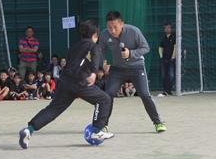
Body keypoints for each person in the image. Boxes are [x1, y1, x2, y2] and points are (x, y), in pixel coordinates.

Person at [18, 20, 114, 149]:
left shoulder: (73, 47)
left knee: (53, 109)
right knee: (104, 99)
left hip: (65, 82)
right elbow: (95, 57)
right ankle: (97, 132)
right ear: (95, 35)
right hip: (80, 83)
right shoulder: (93, 46)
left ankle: (29, 130)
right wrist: (93, 73)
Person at [100, 10, 166, 132]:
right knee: (108, 95)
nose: (112, 31)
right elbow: (102, 51)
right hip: (117, 69)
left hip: (136, 67)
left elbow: (145, 48)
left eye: (115, 27)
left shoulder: (134, 31)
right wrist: (103, 62)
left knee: (144, 94)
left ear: (122, 24)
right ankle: (103, 125)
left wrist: (131, 53)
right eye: (109, 27)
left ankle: (157, 122)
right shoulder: (104, 35)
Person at [157, 22, 176, 97]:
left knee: (171, 75)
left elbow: (175, 47)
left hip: (171, 60)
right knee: (164, 76)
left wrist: (173, 57)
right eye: (165, 28)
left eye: (168, 27)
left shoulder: (174, 37)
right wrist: (161, 56)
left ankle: (169, 91)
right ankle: (165, 91)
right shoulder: (164, 38)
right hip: (164, 60)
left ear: (171, 28)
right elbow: (160, 47)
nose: (167, 29)